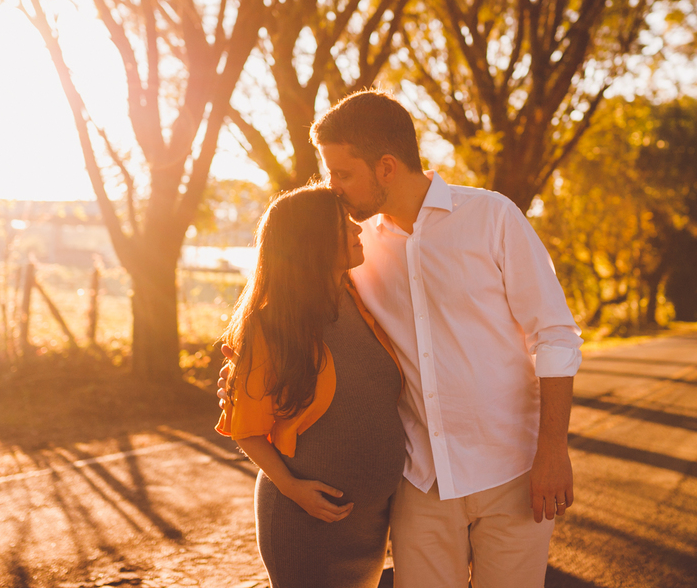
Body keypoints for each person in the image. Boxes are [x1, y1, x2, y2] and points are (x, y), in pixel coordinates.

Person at [224, 89, 584, 588]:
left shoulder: (492, 217)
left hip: (513, 470)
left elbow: (556, 336)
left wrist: (552, 451)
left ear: (387, 167)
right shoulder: (355, 247)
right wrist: (245, 364)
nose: (335, 188)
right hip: (421, 480)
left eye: (343, 174)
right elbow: (300, 309)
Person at [215, 184, 407, 588]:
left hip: (369, 525)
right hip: (301, 520)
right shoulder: (271, 326)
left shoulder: (362, 301)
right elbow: (246, 428)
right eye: (344, 223)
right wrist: (292, 488)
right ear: (312, 238)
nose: (359, 229)